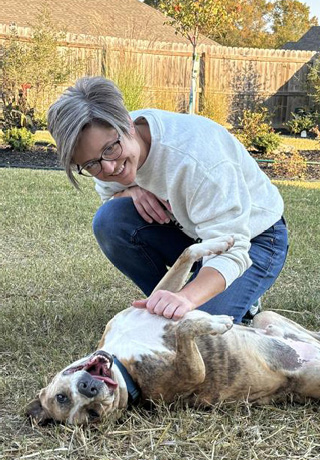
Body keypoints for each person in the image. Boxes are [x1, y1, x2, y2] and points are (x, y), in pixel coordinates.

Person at [47, 76, 288, 323]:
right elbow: (109, 198)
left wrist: (188, 299)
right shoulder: (106, 150)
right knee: (111, 221)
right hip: (194, 235)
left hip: (255, 238)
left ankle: (227, 294)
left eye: (110, 149)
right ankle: (167, 301)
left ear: (128, 124)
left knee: (197, 331)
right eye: (90, 164)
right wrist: (132, 191)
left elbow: (233, 249)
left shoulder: (197, 160)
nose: (108, 168)